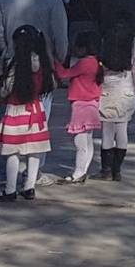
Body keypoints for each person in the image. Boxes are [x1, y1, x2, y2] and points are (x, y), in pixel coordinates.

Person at [0, 26, 54, 200]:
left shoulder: (14, 64)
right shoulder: (43, 63)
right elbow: (51, 84)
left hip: (16, 111)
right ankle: (29, 187)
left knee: (12, 152)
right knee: (34, 151)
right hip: (36, 110)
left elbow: (6, 89)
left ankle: (10, 189)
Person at [96, 23, 135, 182]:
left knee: (107, 131)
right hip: (126, 86)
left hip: (107, 87)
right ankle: (117, 170)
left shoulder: (106, 40)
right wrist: (134, 88)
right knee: (122, 129)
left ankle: (106, 170)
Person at [53, 31, 102, 184]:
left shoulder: (84, 63)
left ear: (84, 47)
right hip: (93, 104)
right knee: (88, 139)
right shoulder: (96, 61)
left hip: (81, 104)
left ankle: (78, 172)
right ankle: (83, 170)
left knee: (79, 141)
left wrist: (54, 60)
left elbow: (64, 74)